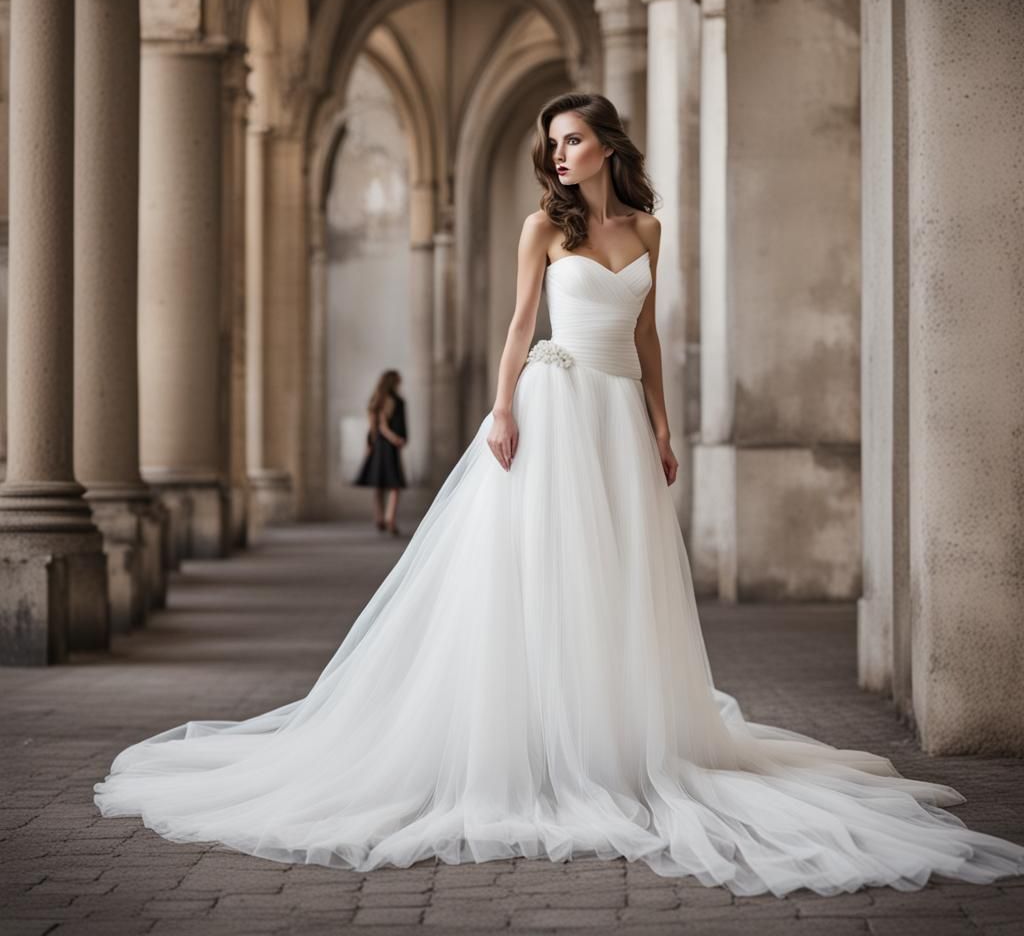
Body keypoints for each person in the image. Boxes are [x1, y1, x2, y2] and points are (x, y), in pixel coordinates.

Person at [93, 92, 1024, 897]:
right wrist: (501, 410)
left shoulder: (649, 229)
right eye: (553, 144)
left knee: (618, 579)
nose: (559, 154)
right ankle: (538, 743)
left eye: (572, 139)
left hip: (618, 421)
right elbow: (516, 329)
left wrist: (663, 423)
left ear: (608, 145)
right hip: (553, 404)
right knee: (540, 571)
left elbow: (649, 336)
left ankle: (617, 734)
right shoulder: (547, 228)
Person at [353, 369, 407, 536]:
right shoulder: (397, 401)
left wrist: (368, 443)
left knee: (379, 483)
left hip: (376, 444)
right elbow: (387, 427)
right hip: (389, 447)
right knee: (394, 484)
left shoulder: (375, 401)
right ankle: (390, 517)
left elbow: (373, 427)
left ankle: (379, 517)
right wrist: (397, 439)